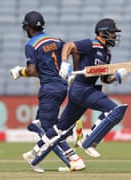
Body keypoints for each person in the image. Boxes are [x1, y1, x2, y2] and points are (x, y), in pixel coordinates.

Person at [30, 18, 129, 164]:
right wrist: (64, 63)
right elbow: (69, 46)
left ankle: (33, 154)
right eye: (113, 32)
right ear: (103, 32)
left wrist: (117, 76)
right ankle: (89, 142)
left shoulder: (107, 53)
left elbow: (105, 79)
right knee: (115, 110)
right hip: (81, 89)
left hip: (84, 90)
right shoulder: (91, 44)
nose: (115, 36)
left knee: (60, 129)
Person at [9, 11, 85, 173]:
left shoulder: (31, 45)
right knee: (38, 124)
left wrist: (20, 72)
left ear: (28, 27)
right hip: (62, 86)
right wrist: (74, 71)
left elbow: (31, 70)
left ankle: (73, 157)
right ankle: (40, 158)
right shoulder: (57, 40)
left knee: (49, 128)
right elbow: (75, 52)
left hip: (49, 88)